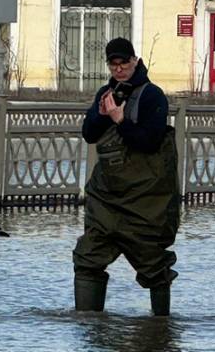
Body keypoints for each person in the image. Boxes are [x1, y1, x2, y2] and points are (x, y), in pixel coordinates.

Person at [73, 37, 180, 316]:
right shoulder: (105, 93)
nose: (119, 69)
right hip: (107, 195)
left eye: (124, 63)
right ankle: (88, 326)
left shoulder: (152, 96)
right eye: (113, 64)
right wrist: (100, 116)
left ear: (135, 60)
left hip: (145, 198)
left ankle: (161, 329)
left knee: (154, 264)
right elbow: (89, 135)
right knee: (87, 258)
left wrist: (121, 120)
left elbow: (150, 141)